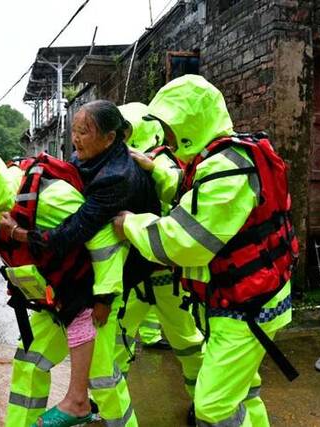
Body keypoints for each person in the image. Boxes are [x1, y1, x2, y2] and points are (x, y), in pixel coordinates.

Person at [113, 75, 298, 427]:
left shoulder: (226, 167)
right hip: (251, 298)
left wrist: (129, 224)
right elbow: (196, 197)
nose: (166, 139)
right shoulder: (223, 157)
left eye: (170, 129)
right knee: (242, 389)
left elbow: (185, 242)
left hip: (247, 307)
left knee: (213, 406)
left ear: (189, 124)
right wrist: (155, 171)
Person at [0, 136, 123, 427]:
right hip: (59, 301)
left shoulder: (48, 197)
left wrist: (105, 297)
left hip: (96, 298)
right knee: (29, 363)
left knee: (101, 378)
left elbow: (105, 238)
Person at [5, 100, 160, 427]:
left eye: (84, 132)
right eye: (73, 131)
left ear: (109, 137)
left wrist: (19, 234)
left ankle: (83, 405)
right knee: (30, 358)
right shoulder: (85, 159)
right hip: (75, 284)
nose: (75, 139)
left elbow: (74, 233)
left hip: (111, 280)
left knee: (102, 376)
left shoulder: (118, 177)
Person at [115, 102, 204, 422]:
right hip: (136, 274)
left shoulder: (164, 163)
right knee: (118, 341)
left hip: (165, 271)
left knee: (187, 341)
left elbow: (181, 203)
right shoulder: (125, 161)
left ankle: (203, 402)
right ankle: (112, 405)